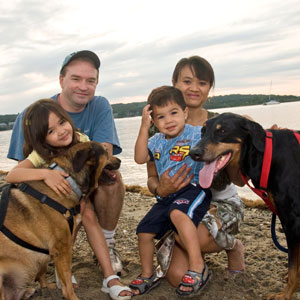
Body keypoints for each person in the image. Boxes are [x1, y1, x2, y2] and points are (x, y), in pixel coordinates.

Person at [7, 50, 124, 276]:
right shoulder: (33, 116)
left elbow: (103, 154)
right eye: (76, 79)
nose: (83, 86)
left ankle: (107, 245)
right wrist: (47, 176)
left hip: (84, 182)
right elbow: (19, 175)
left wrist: (82, 194)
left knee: (112, 179)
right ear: (62, 80)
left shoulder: (97, 109)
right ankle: (55, 251)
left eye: (90, 81)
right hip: (49, 192)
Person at [6, 99, 132, 299]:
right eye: (50, 131)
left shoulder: (81, 139)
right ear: (42, 139)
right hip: (51, 205)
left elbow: (90, 171)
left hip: (77, 197)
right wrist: (45, 174)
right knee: (62, 233)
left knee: (87, 216)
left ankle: (110, 277)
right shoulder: (40, 154)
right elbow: (12, 176)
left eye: (62, 122)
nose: (61, 131)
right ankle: (63, 272)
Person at [146, 56, 245, 293]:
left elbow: (241, 180)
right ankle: (198, 263)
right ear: (174, 83)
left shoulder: (221, 125)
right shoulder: (161, 125)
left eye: (202, 82)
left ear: (209, 89)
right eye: (187, 81)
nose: (194, 88)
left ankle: (233, 246)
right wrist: (160, 189)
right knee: (178, 277)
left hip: (219, 203)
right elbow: (151, 177)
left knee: (195, 234)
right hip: (178, 205)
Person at [130, 86, 212, 297]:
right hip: (167, 196)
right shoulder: (155, 141)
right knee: (144, 231)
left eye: (174, 112)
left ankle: (197, 266)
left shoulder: (197, 133)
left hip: (194, 189)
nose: (169, 120)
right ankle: (148, 273)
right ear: (154, 122)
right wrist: (143, 127)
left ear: (185, 112)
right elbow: (139, 158)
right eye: (160, 117)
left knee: (178, 213)